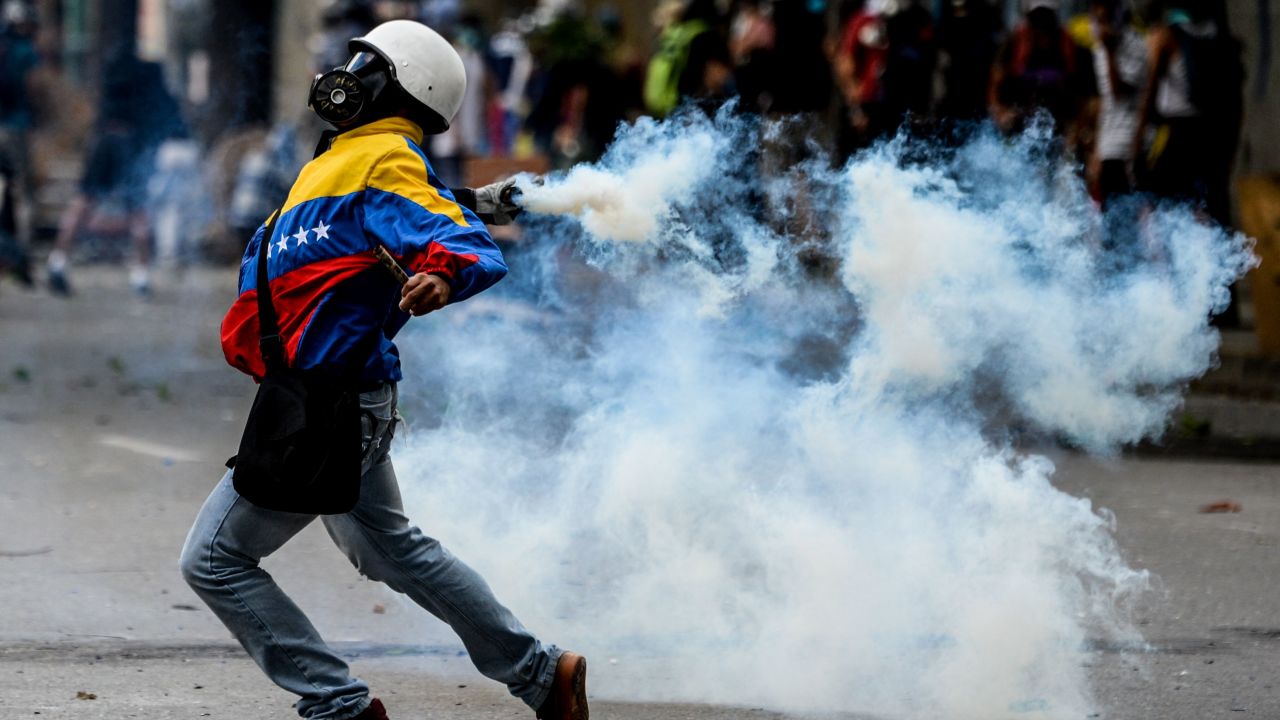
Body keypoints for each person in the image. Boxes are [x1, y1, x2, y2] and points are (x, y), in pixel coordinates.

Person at [179, 20, 586, 720]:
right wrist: (468, 207)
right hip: (326, 395)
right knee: (392, 552)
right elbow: (401, 218)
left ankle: (337, 704)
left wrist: (441, 275)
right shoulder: (347, 156)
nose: (347, 74)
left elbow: (451, 240)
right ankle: (543, 673)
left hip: (328, 404)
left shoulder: (382, 158)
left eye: (365, 63)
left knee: (213, 559)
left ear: (400, 84)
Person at [1087, 0, 1146, 207]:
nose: (1101, 26)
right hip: (1108, 146)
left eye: (1106, 20)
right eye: (1098, 20)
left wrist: (1111, 52)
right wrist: (1097, 149)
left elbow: (1118, 93)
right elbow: (1106, 102)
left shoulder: (1136, 45)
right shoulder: (1100, 50)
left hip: (1129, 144)